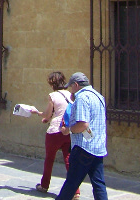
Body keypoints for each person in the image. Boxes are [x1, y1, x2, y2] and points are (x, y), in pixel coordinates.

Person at [55, 72, 107, 200]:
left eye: (71, 87)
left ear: (76, 85)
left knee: (71, 183)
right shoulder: (99, 96)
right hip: (97, 147)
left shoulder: (82, 98)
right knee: (99, 183)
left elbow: (83, 124)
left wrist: (69, 130)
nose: (71, 90)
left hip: (83, 147)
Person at [31, 71, 77, 195]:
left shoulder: (53, 95)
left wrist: (38, 113)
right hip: (67, 131)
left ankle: (44, 185)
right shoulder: (71, 95)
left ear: (52, 83)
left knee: (49, 159)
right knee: (68, 160)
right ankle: (75, 191)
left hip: (55, 132)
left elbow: (48, 113)